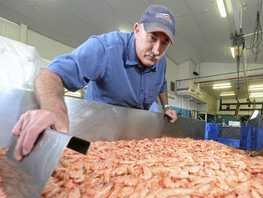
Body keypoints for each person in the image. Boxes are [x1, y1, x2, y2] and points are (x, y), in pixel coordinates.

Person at [12, 4, 178, 160]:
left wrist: (167, 106)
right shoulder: (105, 48)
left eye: (164, 43)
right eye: (152, 38)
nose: (156, 50)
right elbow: (50, 75)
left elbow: (161, 84)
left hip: (135, 138)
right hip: (99, 135)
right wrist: (53, 110)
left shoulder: (160, 61)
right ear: (136, 30)